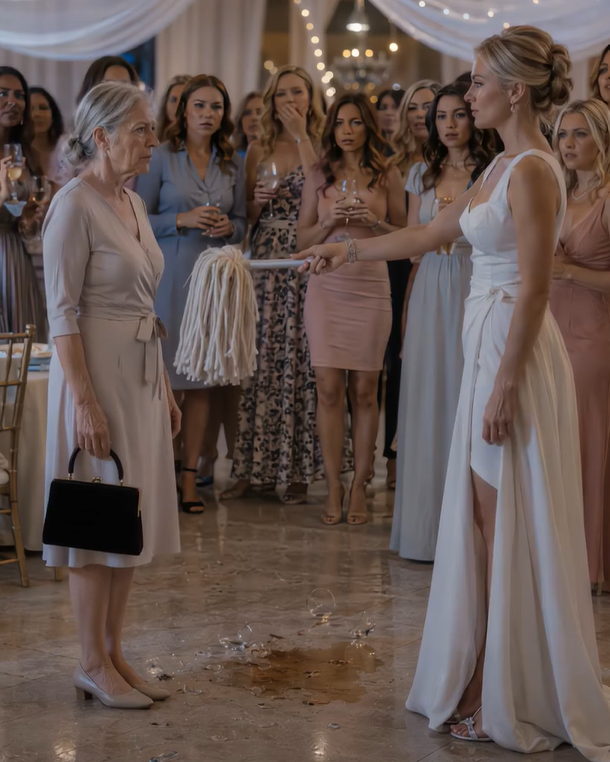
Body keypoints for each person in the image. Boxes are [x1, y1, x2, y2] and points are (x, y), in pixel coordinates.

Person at [298, 25, 610, 759]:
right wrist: (346, 250)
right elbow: (432, 233)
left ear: (516, 91)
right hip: (485, 344)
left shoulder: (532, 171)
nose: (469, 94)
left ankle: (500, 689)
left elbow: (536, 288)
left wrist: (506, 384)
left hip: (513, 353)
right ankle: (484, 674)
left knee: (501, 524)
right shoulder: (498, 166)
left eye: (478, 81)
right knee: (478, 520)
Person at [42, 81, 181, 709]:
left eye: (151, 128)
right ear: (102, 136)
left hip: (141, 376)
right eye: (141, 129)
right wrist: (84, 402)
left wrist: (166, 390)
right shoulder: (73, 205)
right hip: (95, 376)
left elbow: (145, 303)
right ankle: (90, 662)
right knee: (95, 520)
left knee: (130, 517)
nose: (153, 140)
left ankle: (115, 651)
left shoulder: (131, 201)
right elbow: (62, 313)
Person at [391, 81, 497, 561]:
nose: (449, 125)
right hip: (431, 282)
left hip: (474, 280)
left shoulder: (492, 171)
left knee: (464, 393)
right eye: (440, 117)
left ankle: (468, 535)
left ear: (473, 118)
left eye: (458, 115)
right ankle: (424, 531)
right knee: (427, 391)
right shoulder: (421, 172)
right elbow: (414, 240)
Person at [136, 74, 247, 514]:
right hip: (169, 275)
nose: (207, 114)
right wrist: (181, 220)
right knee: (165, 381)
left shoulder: (232, 162)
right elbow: (138, 215)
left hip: (213, 282)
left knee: (201, 381)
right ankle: (157, 474)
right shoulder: (161, 156)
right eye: (199, 105)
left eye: (216, 107)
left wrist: (230, 226)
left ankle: (189, 480)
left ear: (224, 114)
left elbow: (243, 222)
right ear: (183, 111)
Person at [297, 93, 407, 525]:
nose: (347, 130)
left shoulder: (387, 172)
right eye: (340, 122)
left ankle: (360, 483)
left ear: (368, 127)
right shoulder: (318, 173)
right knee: (328, 389)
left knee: (365, 391)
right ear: (332, 128)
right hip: (327, 287)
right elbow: (301, 239)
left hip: (371, 286)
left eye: (356, 122)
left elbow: (405, 235)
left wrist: (372, 221)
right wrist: (329, 222)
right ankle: (333, 485)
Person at [221, 65, 326, 504]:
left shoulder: (322, 143)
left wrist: (301, 136)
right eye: (282, 94)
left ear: (310, 97)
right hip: (266, 256)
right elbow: (244, 213)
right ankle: (253, 470)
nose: (289, 101)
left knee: (301, 362)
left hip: (305, 256)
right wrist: (256, 201)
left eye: (297, 92)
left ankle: (298, 472)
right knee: (260, 361)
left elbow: (322, 192)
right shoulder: (258, 147)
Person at [551, 98, 610, 593]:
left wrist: (568, 271)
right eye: (563, 134)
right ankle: (559, 560)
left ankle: (591, 564)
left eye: (580, 134)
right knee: (556, 444)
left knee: (588, 443)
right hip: (549, 328)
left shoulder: (608, 198)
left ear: (602, 139)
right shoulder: (556, 194)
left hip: (594, 334)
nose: (568, 144)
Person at [382, 79, 440, 489]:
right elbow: (403, 231)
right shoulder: (394, 162)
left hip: (432, 263)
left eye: (429, 107)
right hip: (394, 268)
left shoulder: (459, 161)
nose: (421, 115)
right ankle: (394, 458)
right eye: (414, 108)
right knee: (397, 363)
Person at [0, 66, 46, 337]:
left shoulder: (27, 153)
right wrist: (2, 198)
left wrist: (30, 220)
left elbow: (24, 222)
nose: (12, 101)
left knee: (23, 342)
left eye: (19, 95)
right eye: (2, 93)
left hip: (17, 257)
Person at [30, 87, 65, 181]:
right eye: (30, 109)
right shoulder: (14, 152)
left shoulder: (67, 148)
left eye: (43, 108)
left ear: (53, 115)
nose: (37, 114)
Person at [155, 75, 190, 141]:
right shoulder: (152, 139)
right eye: (173, 100)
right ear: (165, 104)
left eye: (184, 100)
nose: (178, 105)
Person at [234, 91, 264, 157]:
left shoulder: (280, 154)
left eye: (259, 112)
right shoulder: (234, 158)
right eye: (247, 113)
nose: (254, 117)